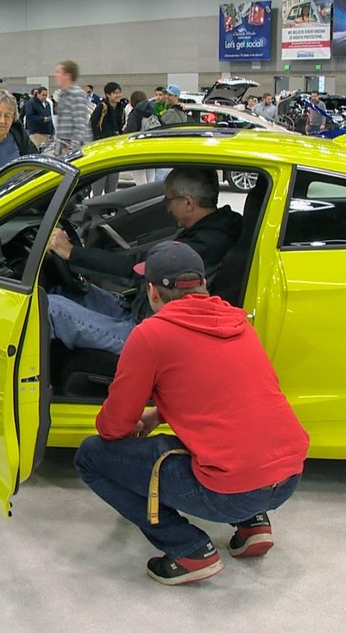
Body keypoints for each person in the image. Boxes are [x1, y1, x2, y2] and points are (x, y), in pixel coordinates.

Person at [74, 239, 309, 586]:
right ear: (203, 285)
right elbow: (229, 399)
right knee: (229, 443)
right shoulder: (240, 324)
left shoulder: (151, 335)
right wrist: (159, 414)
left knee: (91, 456)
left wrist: (134, 428)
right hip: (288, 478)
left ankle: (188, 548)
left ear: (152, 292)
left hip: (230, 491)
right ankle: (252, 524)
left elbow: (113, 427)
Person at [45, 167, 242, 354]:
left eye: (169, 199)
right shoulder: (215, 229)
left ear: (188, 203)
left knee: (48, 307)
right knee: (63, 292)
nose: (167, 207)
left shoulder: (204, 244)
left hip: (148, 333)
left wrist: (71, 252)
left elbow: (135, 268)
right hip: (142, 311)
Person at [89, 82, 128, 195]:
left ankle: (109, 210)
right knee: (99, 184)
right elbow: (92, 125)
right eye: (115, 93)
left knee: (112, 185)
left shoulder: (121, 108)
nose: (118, 95)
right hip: (102, 149)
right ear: (108, 95)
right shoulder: (102, 107)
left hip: (115, 149)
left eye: (119, 92)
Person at [51, 60, 92, 155]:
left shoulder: (77, 94)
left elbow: (80, 125)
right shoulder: (63, 95)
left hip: (73, 151)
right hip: (63, 149)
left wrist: (72, 150)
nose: (55, 75)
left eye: (58, 72)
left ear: (67, 75)